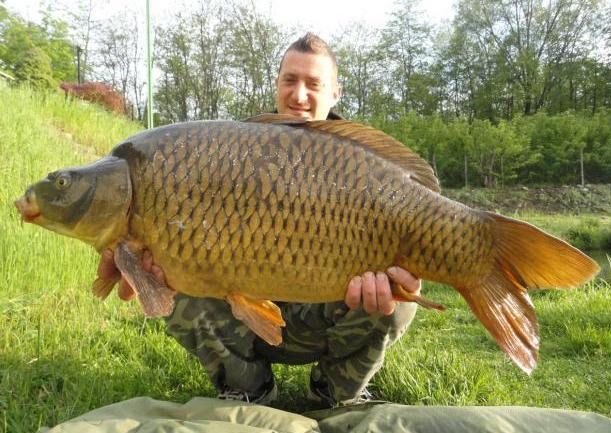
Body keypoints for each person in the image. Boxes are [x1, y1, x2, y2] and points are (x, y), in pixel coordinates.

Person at [97, 32, 421, 408]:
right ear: (276, 85)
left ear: (335, 93)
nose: (299, 95)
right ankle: (247, 389)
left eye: (313, 84)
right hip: (242, 319)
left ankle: (336, 393)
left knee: (400, 298)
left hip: (324, 314)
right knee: (172, 272)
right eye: (290, 81)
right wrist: (138, 252)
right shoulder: (235, 149)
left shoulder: (358, 163)